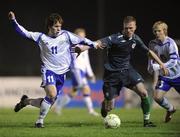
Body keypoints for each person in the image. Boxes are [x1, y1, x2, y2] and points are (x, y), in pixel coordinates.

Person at [8, 11, 98, 128]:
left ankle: (26, 101)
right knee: (51, 94)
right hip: (49, 70)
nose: (58, 29)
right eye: (56, 26)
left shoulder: (66, 35)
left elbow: (81, 40)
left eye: (60, 26)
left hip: (62, 74)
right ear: (50, 26)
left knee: (48, 102)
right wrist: (13, 20)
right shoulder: (41, 37)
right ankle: (39, 121)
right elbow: (24, 32)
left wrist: (93, 44)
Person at [92, 16, 169, 127]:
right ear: (123, 27)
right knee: (109, 107)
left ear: (135, 27)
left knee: (143, 92)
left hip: (127, 71)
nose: (128, 30)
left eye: (131, 28)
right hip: (112, 74)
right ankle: (105, 103)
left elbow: (149, 52)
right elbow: (98, 42)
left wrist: (161, 64)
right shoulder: (114, 38)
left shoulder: (135, 39)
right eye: (126, 28)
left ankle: (146, 122)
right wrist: (84, 47)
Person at [53, 28, 99, 116]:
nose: (81, 38)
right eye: (79, 36)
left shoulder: (85, 47)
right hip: (76, 70)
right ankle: (90, 111)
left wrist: (91, 74)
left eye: (83, 36)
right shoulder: (74, 45)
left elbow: (87, 62)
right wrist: (93, 44)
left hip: (82, 72)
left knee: (74, 92)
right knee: (85, 89)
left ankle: (58, 106)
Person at [148, 21, 179, 123]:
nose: (157, 33)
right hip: (164, 77)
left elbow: (174, 61)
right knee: (157, 97)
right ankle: (171, 109)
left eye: (159, 31)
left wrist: (160, 66)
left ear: (164, 31)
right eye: (155, 31)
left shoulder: (171, 43)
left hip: (177, 75)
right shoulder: (152, 43)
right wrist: (150, 66)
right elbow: (151, 57)